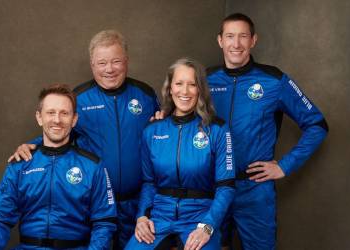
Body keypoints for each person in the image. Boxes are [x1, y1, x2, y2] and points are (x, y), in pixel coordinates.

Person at [8, 30, 160, 249]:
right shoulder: (79, 98)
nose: (109, 69)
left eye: (116, 61)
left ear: (126, 61)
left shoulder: (145, 95)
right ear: (92, 64)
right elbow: (58, 129)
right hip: (93, 207)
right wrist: (33, 145)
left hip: (137, 206)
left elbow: (161, 132)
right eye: (102, 63)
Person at [207, 13, 329, 249]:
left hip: (254, 190)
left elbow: (317, 124)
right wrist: (161, 116)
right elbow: (183, 119)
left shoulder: (274, 81)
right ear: (220, 41)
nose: (236, 43)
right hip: (213, 187)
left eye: (243, 36)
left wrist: (284, 166)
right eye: (230, 36)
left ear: (253, 40)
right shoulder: (205, 79)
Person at [0, 84, 117, 249]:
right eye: (51, 112)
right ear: (39, 117)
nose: (57, 120)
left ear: (74, 119)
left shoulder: (93, 167)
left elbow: (104, 223)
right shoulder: (20, 165)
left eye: (64, 113)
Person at [125, 58, 236, 250]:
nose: (184, 91)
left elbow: (226, 187)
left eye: (192, 84)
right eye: (179, 83)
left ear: (200, 89)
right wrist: (142, 216)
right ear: (170, 88)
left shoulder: (217, 130)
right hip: (159, 218)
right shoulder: (152, 131)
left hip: (200, 218)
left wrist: (207, 226)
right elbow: (149, 183)